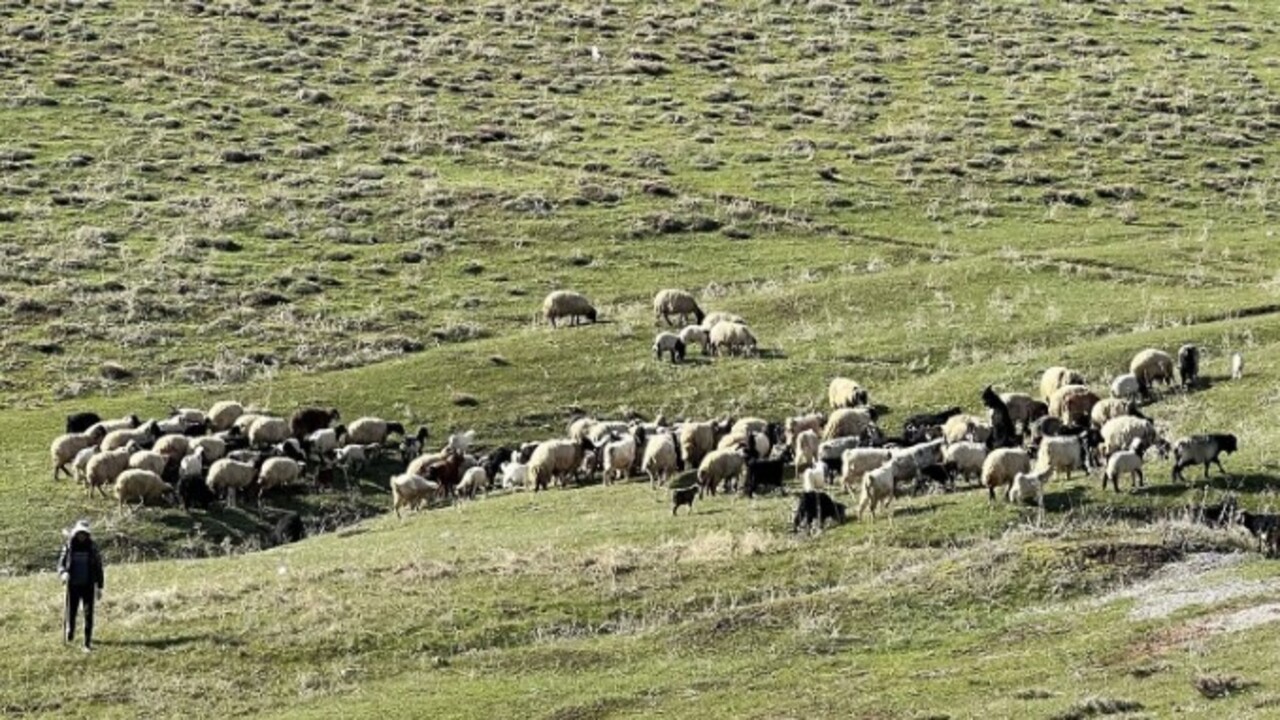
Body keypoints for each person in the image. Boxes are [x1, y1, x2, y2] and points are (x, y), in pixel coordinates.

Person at [57, 520, 104, 652]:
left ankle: (87, 643)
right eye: (79, 533)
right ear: (75, 533)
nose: (81, 536)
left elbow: (98, 567)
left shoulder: (92, 548)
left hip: (88, 586)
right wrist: (63, 573)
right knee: (71, 612)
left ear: (87, 534)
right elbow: (61, 564)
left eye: (84, 533)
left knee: (89, 615)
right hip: (73, 586)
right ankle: (70, 631)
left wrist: (99, 587)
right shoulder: (69, 547)